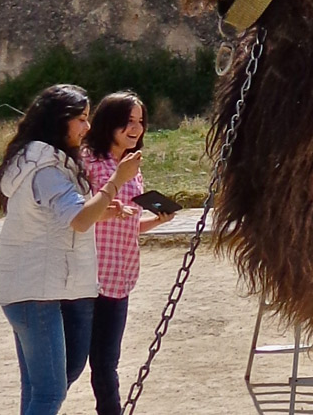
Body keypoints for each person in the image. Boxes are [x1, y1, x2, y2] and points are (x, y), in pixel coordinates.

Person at [0, 85, 141, 415]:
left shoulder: (41, 161)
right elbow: (77, 219)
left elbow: (62, 215)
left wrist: (104, 209)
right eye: (82, 119)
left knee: (37, 387)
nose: (87, 128)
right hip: (36, 290)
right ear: (60, 120)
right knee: (49, 391)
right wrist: (116, 180)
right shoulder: (47, 169)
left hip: (30, 287)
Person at [81, 92, 173, 415]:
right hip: (88, 277)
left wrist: (156, 221)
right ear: (110, 122)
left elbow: (127, 224)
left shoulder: (132, 167)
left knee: (106, 362)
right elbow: (80, 216)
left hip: (120, 277)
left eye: (140, 122)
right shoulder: (89, 162)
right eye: (128, 121)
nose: (136, 129)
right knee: (74, 362)